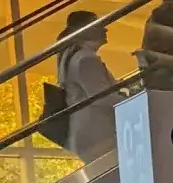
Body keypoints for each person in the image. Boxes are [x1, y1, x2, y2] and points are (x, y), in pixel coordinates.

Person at [41, 9, 120, 160]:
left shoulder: (72, 58)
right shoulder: (85, 59)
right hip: (97, 132)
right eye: (98, 24)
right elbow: (101, 97)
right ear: (85, 30)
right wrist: (131, 101)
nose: (105, 28)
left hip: (87, 132)